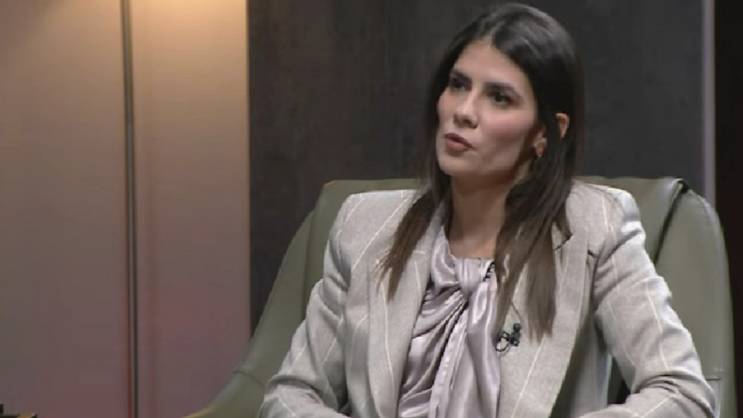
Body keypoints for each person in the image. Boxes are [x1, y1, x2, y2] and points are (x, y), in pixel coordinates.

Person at [259, 3, 716, 417]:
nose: (463, 111)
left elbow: (682, 394)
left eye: (499, 98)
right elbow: (290, 395)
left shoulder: (596, 227)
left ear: (545, 132)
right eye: (458, 85)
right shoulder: (364, 226)